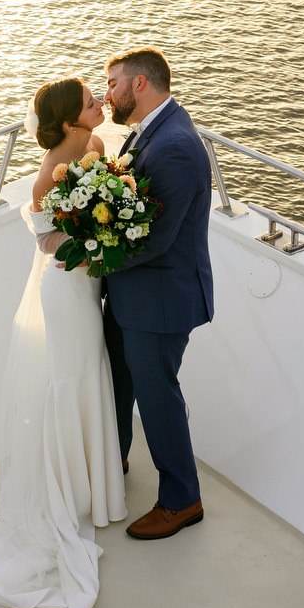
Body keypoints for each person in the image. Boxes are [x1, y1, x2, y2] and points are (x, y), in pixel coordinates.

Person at [0, 77, 127, 608]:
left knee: (93, 372)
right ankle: (70, 497)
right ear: (69, 122)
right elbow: (52, 245)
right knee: (72, 375)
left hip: (90, 288)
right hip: (66, 290)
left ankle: (96, 485)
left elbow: (112, 194)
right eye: (91, 103)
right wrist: (101, 237)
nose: (100, 106)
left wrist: (117, 221)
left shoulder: (94, 147)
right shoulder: (46, 180)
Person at [101, 47, 213, 540]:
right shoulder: (152, 131)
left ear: (139, 85)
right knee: (119, 381)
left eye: (112, 84)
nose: (108, 95)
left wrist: (92, 257)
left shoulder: (175, 146)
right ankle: (116, 458)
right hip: (133, 295)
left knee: (157, 398)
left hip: (160, 300)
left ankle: (181, 500)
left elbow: (156, 237)